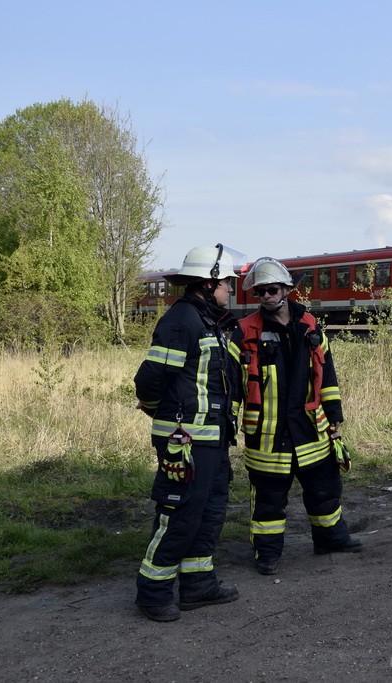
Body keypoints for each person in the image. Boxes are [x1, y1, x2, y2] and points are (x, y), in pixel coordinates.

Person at [230, 257, 363, 575]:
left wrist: (334, 416)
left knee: (325, 488)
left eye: (272, 289)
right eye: (260, 292)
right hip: (267, 434)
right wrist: (225, 424)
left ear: (287, 289)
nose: (265, 296)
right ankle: (268, 554)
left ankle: (331, 539)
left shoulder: (310, 326)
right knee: (268, 500)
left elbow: (326, 374)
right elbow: (232, 384)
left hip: (310, 429)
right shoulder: (245, 331)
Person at [133, 244, 242, 622]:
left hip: (211, 438)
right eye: (227, 282)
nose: (231, 288)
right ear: (208, 282)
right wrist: (156, 411)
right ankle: (152, 592)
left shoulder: (208, 319)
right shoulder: (182, 320)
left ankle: (198, 585)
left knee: (208, 512)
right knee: (179, 514)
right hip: (187, 440)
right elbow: (149, 379)